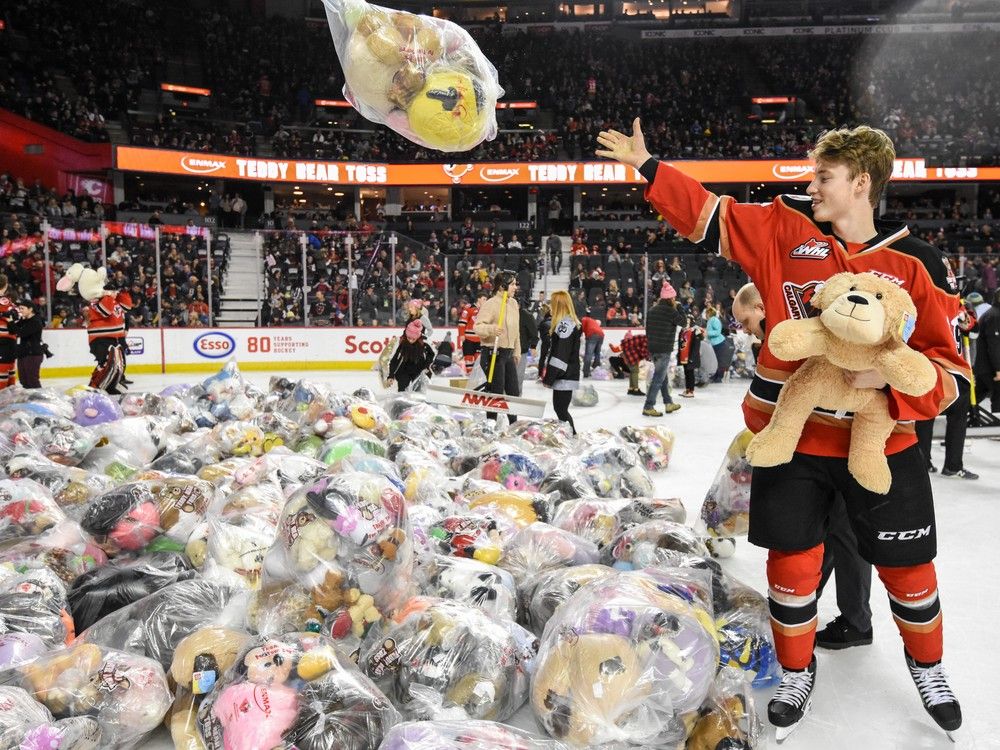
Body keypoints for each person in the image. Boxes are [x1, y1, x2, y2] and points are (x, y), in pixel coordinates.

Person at [597, 120, 968, 737]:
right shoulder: (783, 226)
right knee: (792, 569)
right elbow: (709, 215)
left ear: (862, 183)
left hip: (883, 444)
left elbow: (952, 372)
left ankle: (928, 667)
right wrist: (650, 167)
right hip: (793, 439)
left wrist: (893, 381)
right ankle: (797, 671)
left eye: (824, 177)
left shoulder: (917, 263)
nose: (811, 186)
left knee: (910, 569)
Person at [473, 271, 521, 420]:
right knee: (495, 394)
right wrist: (492, 329)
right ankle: (491, 425)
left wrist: (517, 351)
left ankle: (513, 425)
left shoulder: (513, 304)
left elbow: (516, 331)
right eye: (512, 284)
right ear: (502, 286)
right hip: (493, 354)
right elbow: (477, 327)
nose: (515, 287)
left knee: (513, 393)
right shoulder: (491, 304)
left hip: (508, 354)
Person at [541, 290, 581, 434]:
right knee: (561, 410)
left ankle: (573, 437)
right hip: (566, 373)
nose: (550, 307)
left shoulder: (565, 325)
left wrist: (549, 378)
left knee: (561, 410)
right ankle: (571, 436)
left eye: (552, 304)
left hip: (564, 375)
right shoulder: (567, 323)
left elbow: (560, 355)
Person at [642, 282, 684, 417]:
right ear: (670, 299)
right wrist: (680, 307)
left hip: (653, 348)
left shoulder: (652, 310)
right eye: (674, 298)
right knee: (658, 378)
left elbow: (647, 330)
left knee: (662, 375)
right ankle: (648, 406)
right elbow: (683, 322)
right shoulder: (671, 312)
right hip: (664, 348)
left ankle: (668, 403)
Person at [386, 320, 434, 392]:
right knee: (402, 390)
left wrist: (426, 366)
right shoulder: (402, 343)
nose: (411, 341)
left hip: (419, 369)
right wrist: (391, 375)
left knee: (418, 392)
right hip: (404, 370)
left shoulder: (424, 343)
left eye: (413, 339)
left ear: (418, 337)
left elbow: (431, 354)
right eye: (409, 338)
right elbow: (394, 360)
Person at [973, 288, 1000, 412]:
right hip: (989, 367)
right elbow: (994, 344)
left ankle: (960, 412)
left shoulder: (993, 314)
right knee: (998, 394)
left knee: (977, 394)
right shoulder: (995, 316)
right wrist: (998, 369)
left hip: (984, 366)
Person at [11, 301, 45, 389]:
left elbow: (21, 333)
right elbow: (12, 330)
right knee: (23, 380)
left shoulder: (36, 321)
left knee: (32, 380)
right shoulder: (24, 320)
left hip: (32, 354)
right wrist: (12, 319)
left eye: (22, 308)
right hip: (23, 353)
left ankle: (39, 397)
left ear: (30, 309)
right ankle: (29, 396)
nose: (20, 310)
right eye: (19, 308)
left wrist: (11, 321)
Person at [515, 298, 539, 395]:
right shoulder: (506, 314)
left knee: (518, 376)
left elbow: (534, 332)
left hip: (521, 351)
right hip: (506, 350)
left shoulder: (526, 315)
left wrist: (533, 346)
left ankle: (517, 397)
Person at [457, 294, 486, 374]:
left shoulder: (486, 310)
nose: (485, 301)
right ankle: (469, 374)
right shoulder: (469, 309)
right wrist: (461, 334)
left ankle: (477, 375)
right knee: (468, 357)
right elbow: (462, 322)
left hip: (480, 339)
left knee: (479, 358)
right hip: (468, 338)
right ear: (478, 299)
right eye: (484, 299)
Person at [677, 314, 704, 398]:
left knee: (690, 373)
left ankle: (691, 390)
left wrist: (692, 357)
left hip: (691, 356)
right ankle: (687, 389)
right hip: (683, 355)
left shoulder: (695, 331)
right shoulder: (683, 331)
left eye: (688, 321)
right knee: (686, 373)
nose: (687, 323)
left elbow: (696, 345)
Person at [0, 275, 17, 389]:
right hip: (6, 339)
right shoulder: (4, 301)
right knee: (7, 367)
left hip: (5, 339)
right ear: (5, 285)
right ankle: (6, 395)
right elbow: (16, 316)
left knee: (6, 367)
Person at [621, 330, 650, 397]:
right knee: (635, 371)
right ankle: (636, 390)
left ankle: (631, 389)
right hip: (630, 352)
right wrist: (648, 359)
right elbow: (643, 352)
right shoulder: (647, 340)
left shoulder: (644, 337)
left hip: (627, 350)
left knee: (632, 371)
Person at [705, 304, 728, 382]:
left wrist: (707, 333)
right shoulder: (710, 320)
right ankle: (715, 376)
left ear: (709, 313)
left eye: (706, 313)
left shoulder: (714, 319)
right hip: (715, 344)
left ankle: (719, 377)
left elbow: (718, 331)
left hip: (719, 343)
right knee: (715, 361)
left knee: (720, 360)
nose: (705, 314)